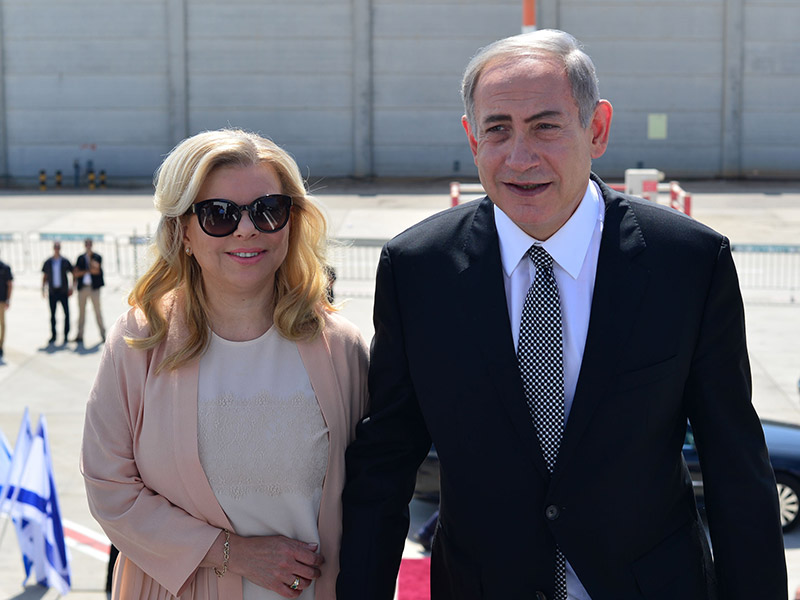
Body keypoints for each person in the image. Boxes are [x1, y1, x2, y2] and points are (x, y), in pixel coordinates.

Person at [337, 29, 786, 600]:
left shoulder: (688, 263)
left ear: (596, 128)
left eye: (545, 126)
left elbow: (736, 468)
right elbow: (386, 462)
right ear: (472, 138)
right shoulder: (416, 269)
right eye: (497, 129)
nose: (520, 157)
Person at [81, 129, 369, 599]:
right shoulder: (140, 340)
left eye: (268, 209)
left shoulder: (341, 349)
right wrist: (230, 551)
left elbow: (370, 495)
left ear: (291, 222)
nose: (246, 229)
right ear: (183, 232)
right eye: (219, 214)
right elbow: (109, 488)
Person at [73, 237, 106, 344]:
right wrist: (87, 271)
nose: (88, 246)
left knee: (98, 312)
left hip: (94, 289)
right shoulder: (80, 258)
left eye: (89, 244)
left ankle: (103, 334)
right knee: (81, 313)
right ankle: (79, 335)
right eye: (86, 244)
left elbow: (96, 270)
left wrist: (90, 261)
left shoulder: (96, 257)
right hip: (83, 288)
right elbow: (76, 273)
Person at [41, 241, 73, 345]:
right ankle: (53, 335)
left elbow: (73, 273)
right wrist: (43, 289)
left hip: (63, 291)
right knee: (53, 315)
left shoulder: (64, 261)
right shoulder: (48, 262)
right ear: (53, 248)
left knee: (66, 314)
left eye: (58, 247)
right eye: (55, 247)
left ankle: (66, 336)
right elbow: (45, 276)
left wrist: (72, 287)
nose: (57, 249)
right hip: (52, 291)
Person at [0, 255, 12, 359]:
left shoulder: (5, 267)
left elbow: (10, 284)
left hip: (1, 300)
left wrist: (8, 299)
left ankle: (1, 346)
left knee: (2, 324)